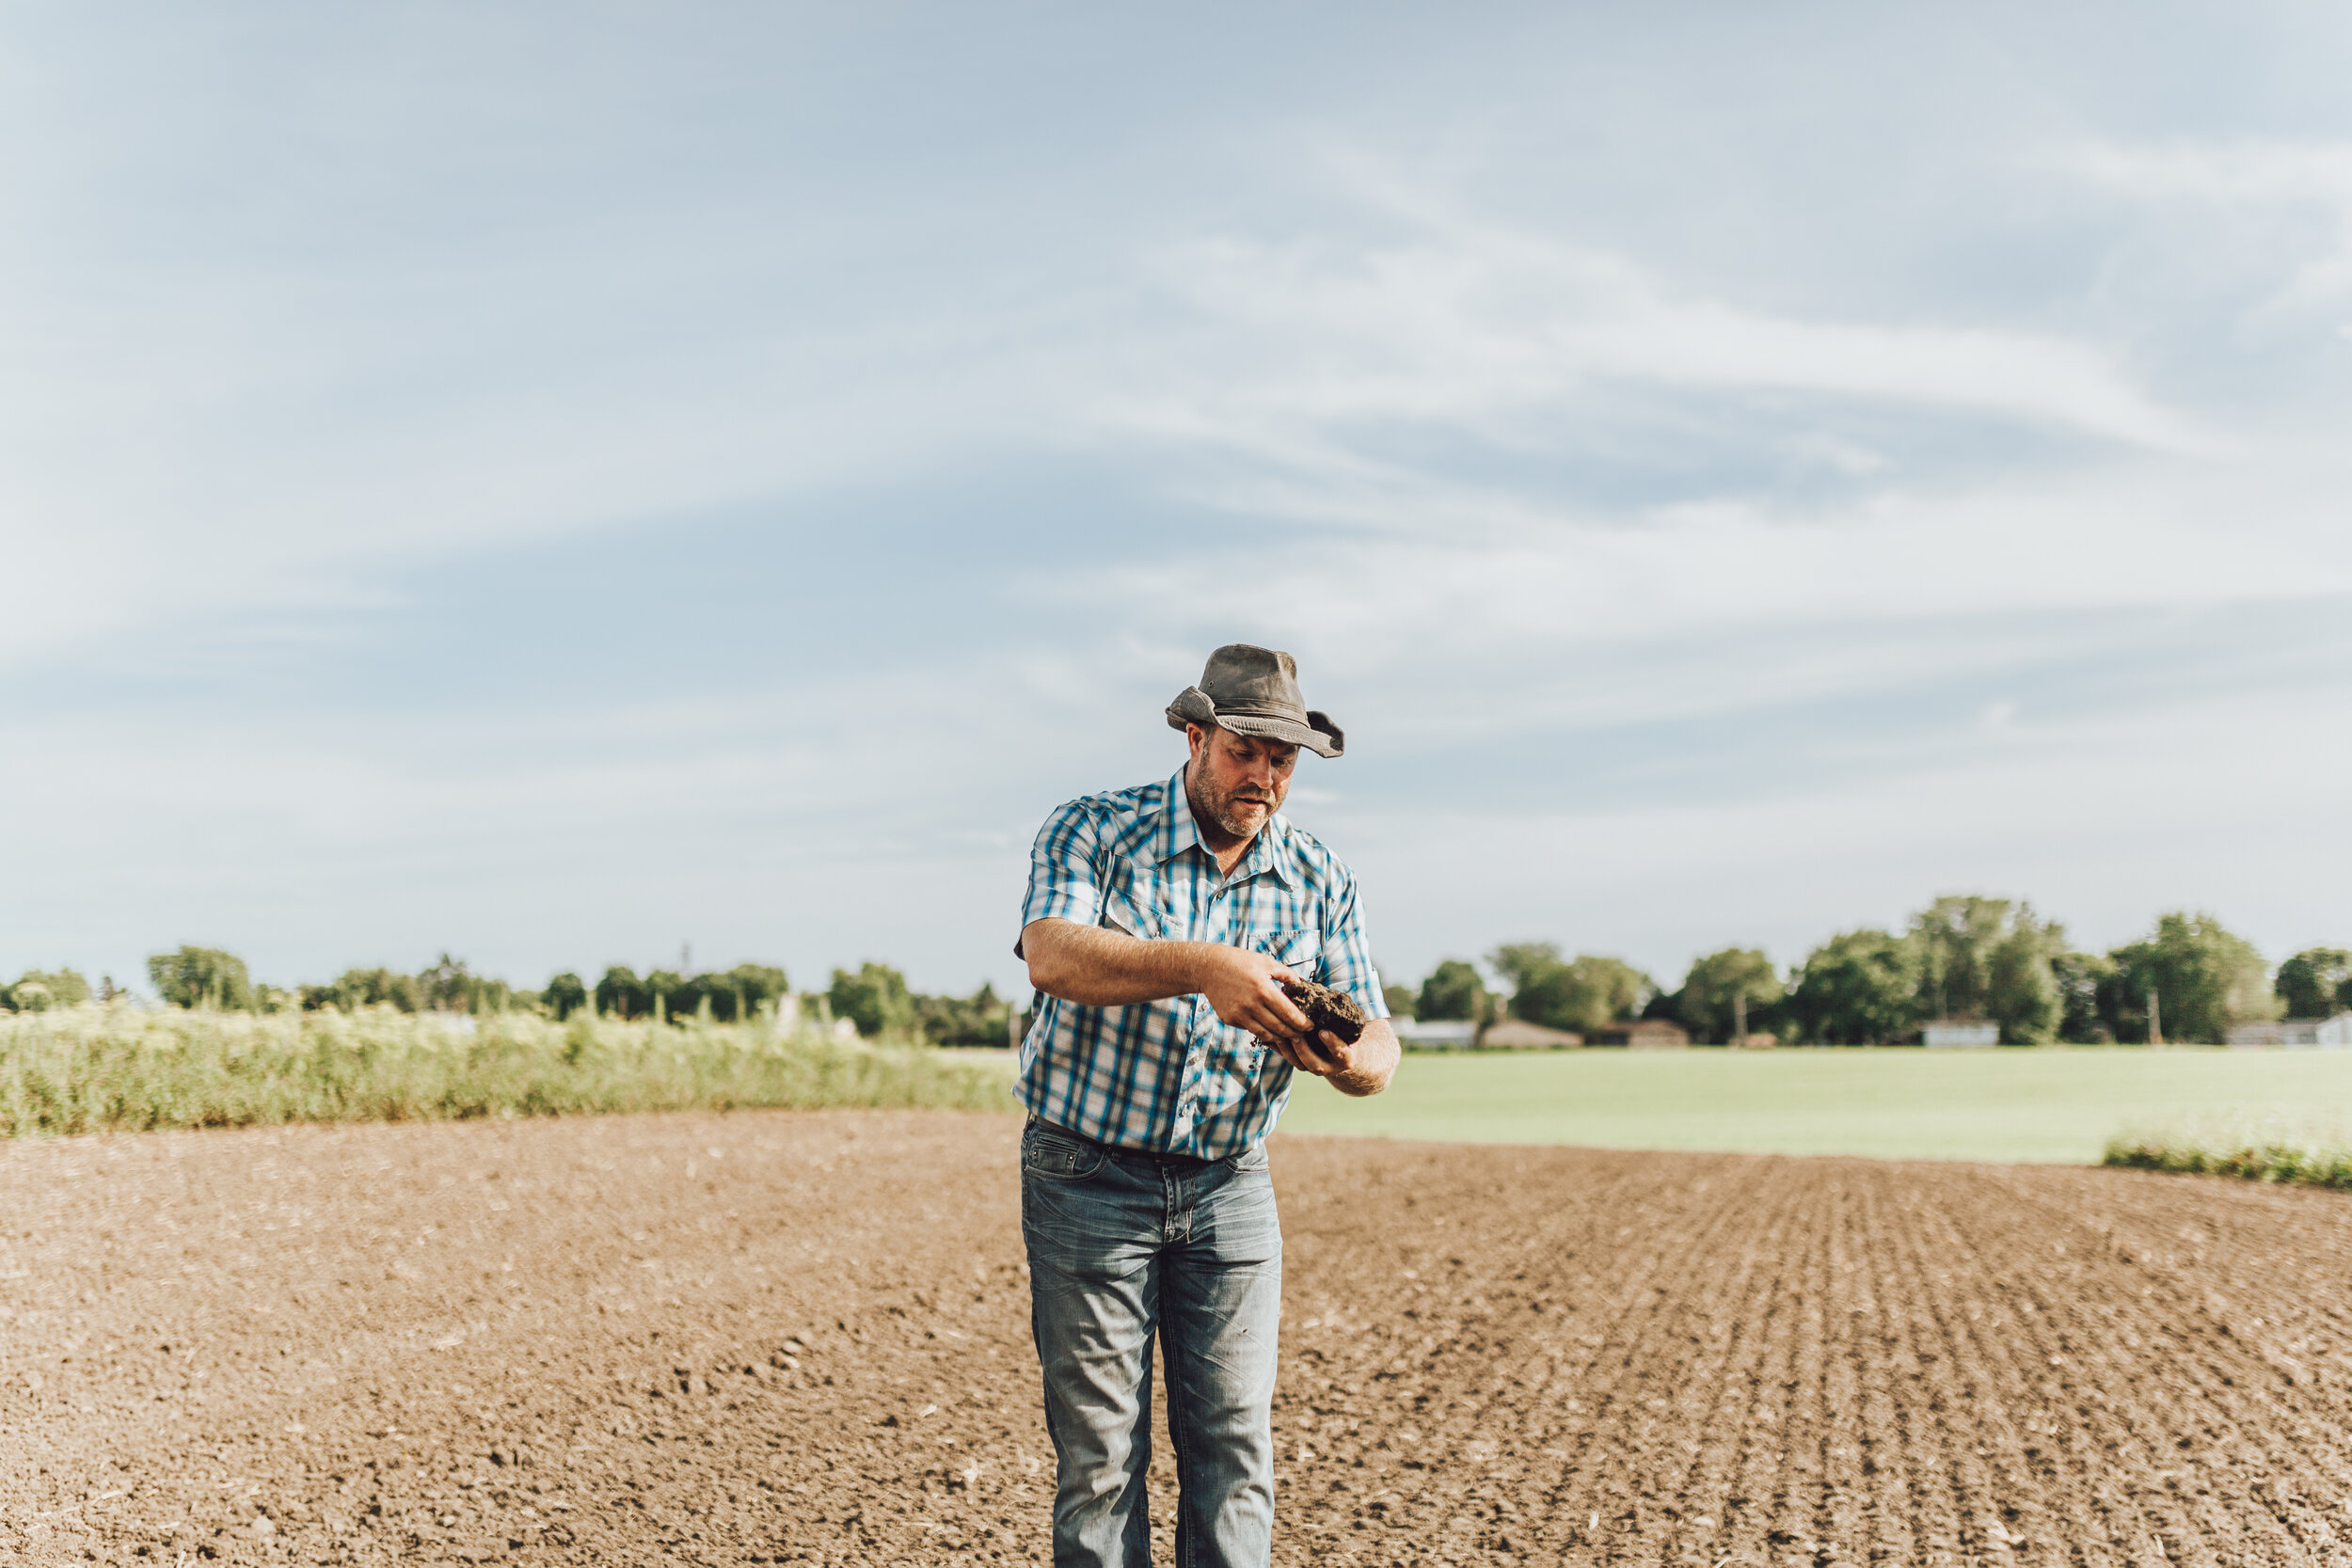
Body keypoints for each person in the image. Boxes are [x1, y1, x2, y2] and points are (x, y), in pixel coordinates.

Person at [1014, 642, 1401, 1568]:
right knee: (1101, 1458)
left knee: (1234, 1446)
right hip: (1086, 1175)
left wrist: (1344, 1056)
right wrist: (1203, 965)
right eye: (1244, 750)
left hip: (1231, 1184)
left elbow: (1379, 1044)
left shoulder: (1316, 874)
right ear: (1195, 735)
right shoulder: (1093, 830)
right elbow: (1051, 954)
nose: (1262, 774)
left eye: (1282, 757)